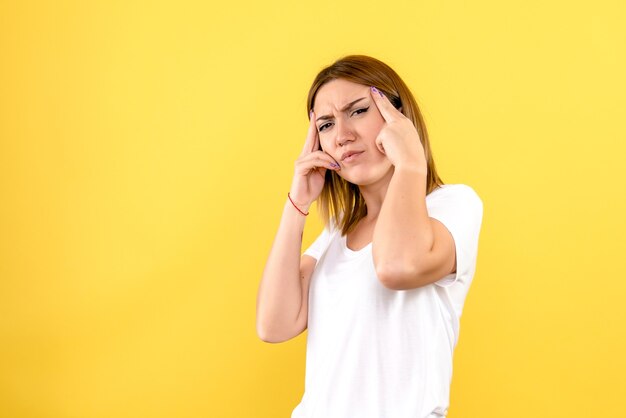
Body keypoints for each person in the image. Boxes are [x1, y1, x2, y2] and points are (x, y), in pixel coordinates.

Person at [256, 55, 483, 418]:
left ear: (398, 116)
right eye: (327, 124)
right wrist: (297, 203)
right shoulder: (337, 232)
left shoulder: (452, 206)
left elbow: (397, 267)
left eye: (358, 111)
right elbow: (273, 324)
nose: (343, 135)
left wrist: (410, 161)